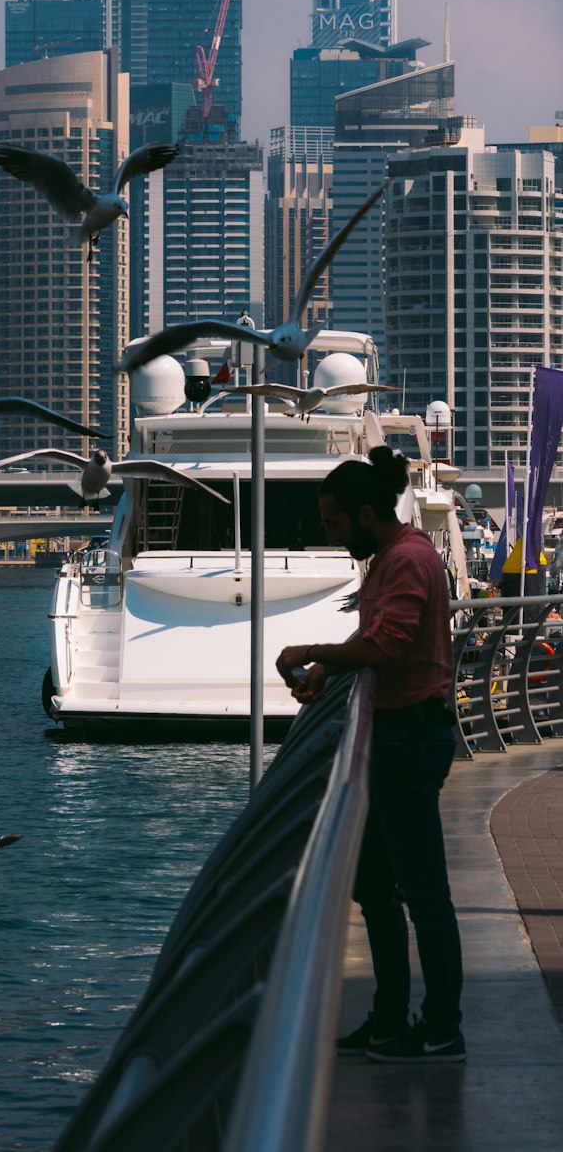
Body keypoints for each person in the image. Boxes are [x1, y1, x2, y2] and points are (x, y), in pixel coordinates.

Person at [276, 444, 465, 1064]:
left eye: (334, 523)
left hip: (409, 740)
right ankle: (389, 1019)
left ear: (364, 513)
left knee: (420, 889)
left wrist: (311, 651)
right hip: (399, 736)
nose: (330, 535)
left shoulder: (405, 561)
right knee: (377, 882)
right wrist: (328, 672)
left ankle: (440, 1028)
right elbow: (373, 640)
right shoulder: (394, 557)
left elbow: (384, 648)